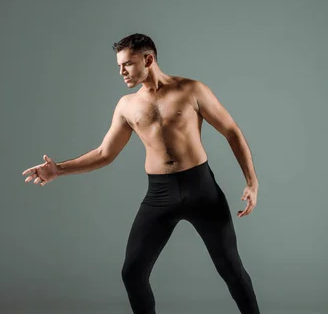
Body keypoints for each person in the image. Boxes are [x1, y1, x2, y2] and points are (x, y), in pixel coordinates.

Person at [22, 33, 260, 313]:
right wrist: (58, 169)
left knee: (231, 270)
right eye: (119, 66)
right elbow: (104, 154)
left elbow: (231, 131)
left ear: (148, 59)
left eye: (128, 64)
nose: (121, 72)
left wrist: (251, 182)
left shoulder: (192, 90)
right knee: (132, 273)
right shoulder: (127, 106)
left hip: (202, 190)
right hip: (159, 194)